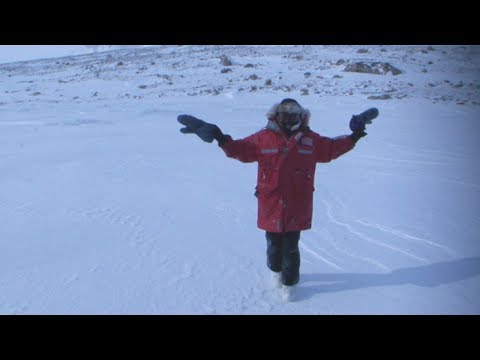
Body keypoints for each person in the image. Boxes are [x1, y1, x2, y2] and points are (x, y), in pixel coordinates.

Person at [178, 98, 378, 301]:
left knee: (291, 246)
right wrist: (220, 137)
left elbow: (331, 148)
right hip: (271, 201)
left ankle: (289, 285)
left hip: (298, 203)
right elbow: (240, 149)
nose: (289, 116)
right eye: (285, 112)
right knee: (273, 244)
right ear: (276, 115)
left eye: (294, 113)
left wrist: (355, 136)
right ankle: (275, 272)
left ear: (302, 116)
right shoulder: (264, 138)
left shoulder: (311, 140)